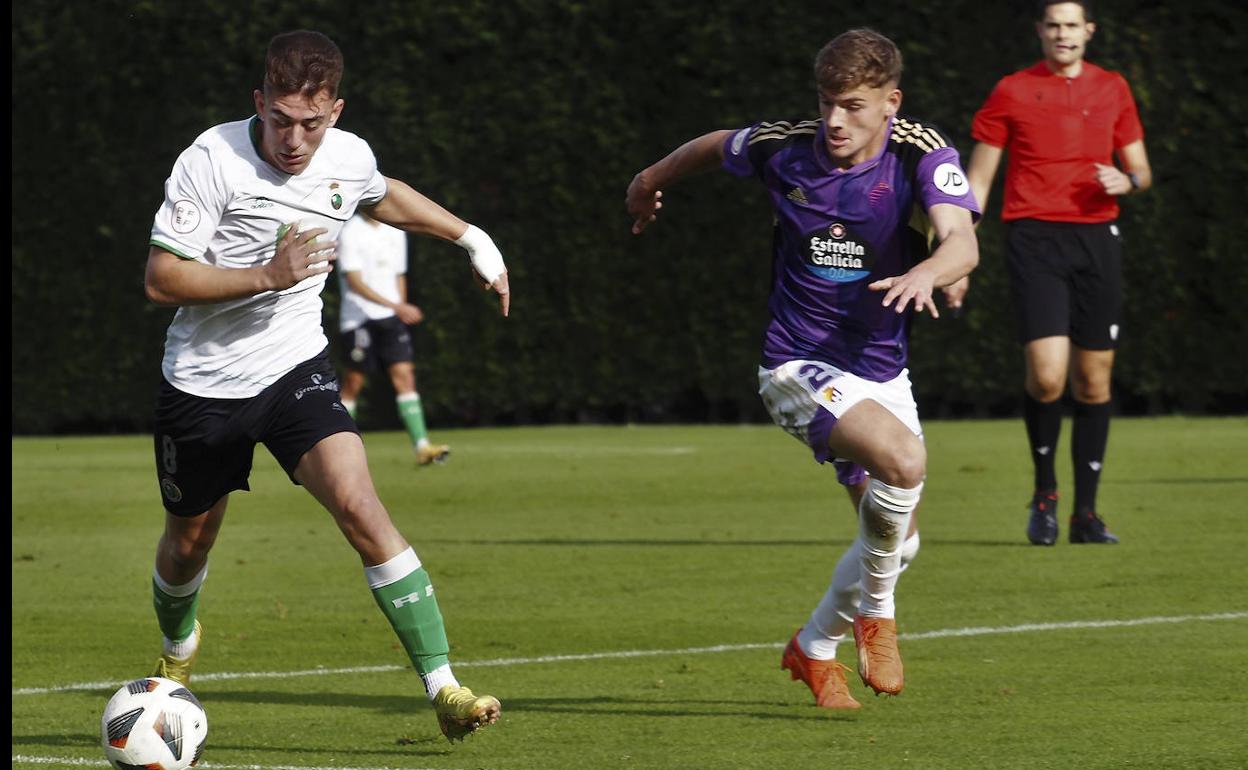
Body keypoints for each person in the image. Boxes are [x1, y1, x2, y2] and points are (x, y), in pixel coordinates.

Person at [144, 30, 509, 742]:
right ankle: (177, 653)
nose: (293, 138)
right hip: (202, 387)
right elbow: (162, 277)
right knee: (189, 544)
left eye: (310, 122)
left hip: (295, 369)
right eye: (280, 119)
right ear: (259, 103)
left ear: (335, 111)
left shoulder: (348, 156)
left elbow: (383, 194)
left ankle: (445, 689)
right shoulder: (211, 158)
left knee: (358, 502)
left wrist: (471, 237)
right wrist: (266, 276)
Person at [626, 28, 979, 709]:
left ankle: (814, 647)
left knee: (896, 541)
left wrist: (931, 271)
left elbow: (962, 240)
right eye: (826, 103)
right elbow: (713, 144)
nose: (835, 121)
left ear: (889, 103)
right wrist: (648, 180)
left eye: (851, 105)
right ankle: (879, 617)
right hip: (795, 366)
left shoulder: (921, 151)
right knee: (905, 462)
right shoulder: (785, 147)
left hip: (879, 371)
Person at [966, 0, 1151, 546]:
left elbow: (1139, 169)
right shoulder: (1011, 90)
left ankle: (1086, 516)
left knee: (1094, 381)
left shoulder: (1112, 87)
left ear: (1088, 31)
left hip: (1097, 240)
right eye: (1053, 25)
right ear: (1040, 32)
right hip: (1034, 238)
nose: (1063, 34)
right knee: (1048, 375)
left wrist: (1128, 182)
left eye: (1072, 25)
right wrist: (958, 253)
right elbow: (977, 182)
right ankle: (1045, 493)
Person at [336, 209, 450, 466]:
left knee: (405, 377)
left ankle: (422, 446)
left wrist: (399, 308)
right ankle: (339, 451)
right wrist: (397, 306)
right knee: (353, 383)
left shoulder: (396, 230)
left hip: (392, 318)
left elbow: (399, 275)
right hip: (358, 319)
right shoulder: (351, 230)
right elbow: (354, 282)